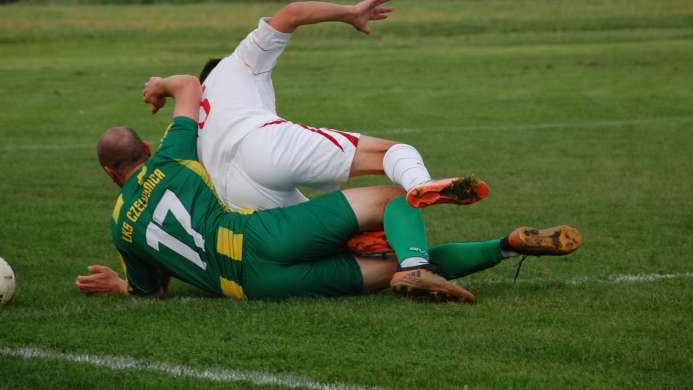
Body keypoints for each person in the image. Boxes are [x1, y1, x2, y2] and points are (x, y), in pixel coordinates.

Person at [77, 74, 582, 303]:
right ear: (145, 146)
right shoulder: (172, 157)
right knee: (390, 200)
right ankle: (427, 262)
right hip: (259, 236)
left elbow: (152, 290)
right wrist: (159, 86)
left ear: (109, 174)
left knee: (380, 276)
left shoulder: (119, 226)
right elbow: (191, 84)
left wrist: (120, 286)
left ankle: (501, 248)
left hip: (251, 288)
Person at [150, 0, 490, 254]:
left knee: (325, 228)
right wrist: (351, 13)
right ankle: (420, 185)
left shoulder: (194, 120)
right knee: (394, 152)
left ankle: (356, 244)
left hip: (237, 200)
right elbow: (293, 13)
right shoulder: (237, 62)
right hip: (262, 144)